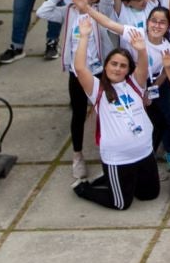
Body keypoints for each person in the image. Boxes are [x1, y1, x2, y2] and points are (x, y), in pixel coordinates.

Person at [68, 21, 161, 210]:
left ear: (128, 70)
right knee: (121, 203)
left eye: (123, 66)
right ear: (106, 65)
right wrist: (84, 37)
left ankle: (113, 178)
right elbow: (79, 68)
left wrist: (141, 50)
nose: (117, 69)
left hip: (144, 152)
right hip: (118, 156)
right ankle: (84, 189)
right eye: (114, 64)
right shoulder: (97, 88)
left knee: (150, 195)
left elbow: (143, 66)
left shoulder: (135, 84)